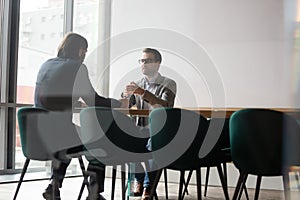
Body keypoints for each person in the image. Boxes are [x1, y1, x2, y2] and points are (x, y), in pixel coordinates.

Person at [34, 32, 128, 200]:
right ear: (79, 50)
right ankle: (94, 194)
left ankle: (53, 186)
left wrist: (74, 102)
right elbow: (94, 100)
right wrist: (120, 103)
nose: (85, 54)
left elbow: (50, 96)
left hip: (36, 131)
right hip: (58, 131)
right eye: (84, 50)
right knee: (98, 142)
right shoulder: (77, 67)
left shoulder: (46, 64)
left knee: (70, 141)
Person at [123, 48, 177, 200]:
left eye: (147, 61)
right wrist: (125, 96)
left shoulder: (169, 83)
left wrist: (143, 93)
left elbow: (165, 105)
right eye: (141, 61)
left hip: (160, 131)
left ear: (158, 64)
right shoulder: (138, 84)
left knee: (153, 143)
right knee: (125, 141)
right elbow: (126, 105)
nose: (143, 64)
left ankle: (148, 186)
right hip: (140, 129)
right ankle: (138, 181)